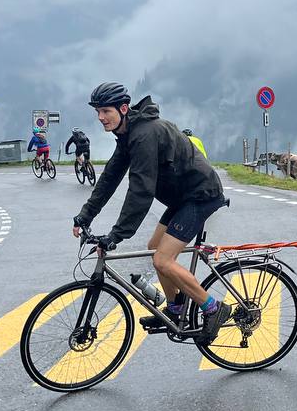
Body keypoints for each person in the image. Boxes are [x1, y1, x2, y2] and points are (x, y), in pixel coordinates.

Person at [72, 82, 232, 343]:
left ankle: (214, 308)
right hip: (182, 199)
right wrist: (85, 216)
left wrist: (116, 235)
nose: (100, 117)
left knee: (162, 260)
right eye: (98, 112)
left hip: (200, 195)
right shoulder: (128, 135)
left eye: (106, 111)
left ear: (124, 109)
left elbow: (141, 190)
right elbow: (110, 178)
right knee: (154, 247)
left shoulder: (144, 135)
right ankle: (176, 308)